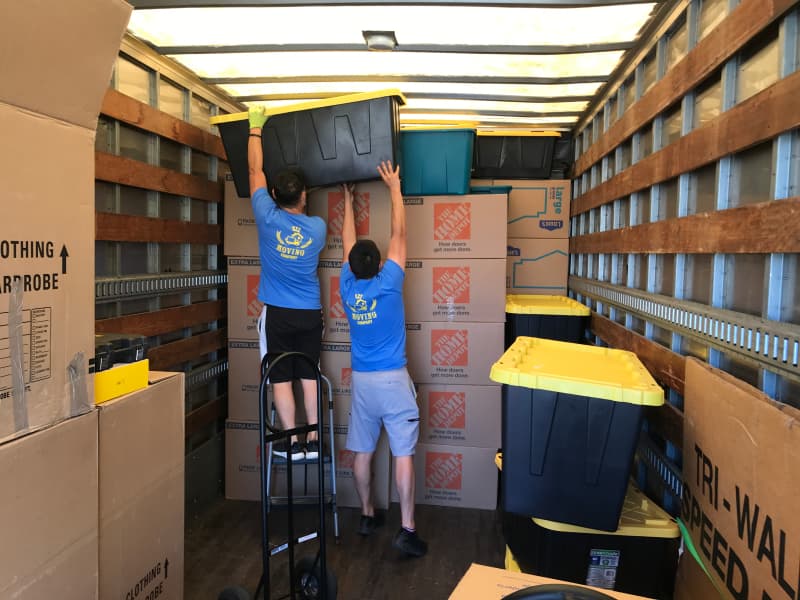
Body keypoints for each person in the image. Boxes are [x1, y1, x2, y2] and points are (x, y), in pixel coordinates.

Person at [339, 160, 428, 558]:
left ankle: (367, 514)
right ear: (378, 264)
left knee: (362, 451)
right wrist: (393, 186)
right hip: (393, 380)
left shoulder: (346, 286)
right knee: (403, 454)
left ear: (354, 268)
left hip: (362, 382)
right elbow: (399, 232)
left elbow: (347, 245)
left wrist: (345, 200)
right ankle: (407, 530)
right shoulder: (390, 281)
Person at [248, 105, 326, 461]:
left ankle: (293, 444)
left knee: (280, 377)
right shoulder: (318, 228)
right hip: (310, 313)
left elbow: (254, 170)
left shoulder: (266, 216)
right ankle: (313, 440)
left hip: (278, 314)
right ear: (305, 196)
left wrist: (254, 127)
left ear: (276, 197)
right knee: (308, 374)